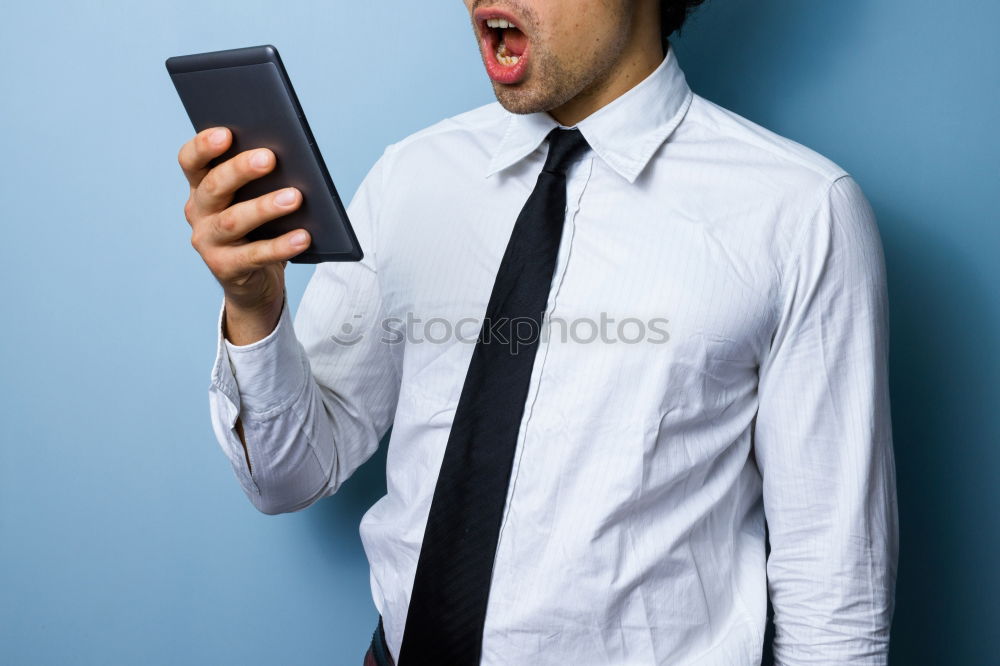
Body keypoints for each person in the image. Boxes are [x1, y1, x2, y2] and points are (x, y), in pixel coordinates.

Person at [176, 0, 900, 664]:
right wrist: (253, 306)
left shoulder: (801, 215)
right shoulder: (413, 177)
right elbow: (289, 474)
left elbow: (836, 595)